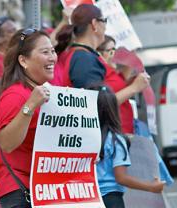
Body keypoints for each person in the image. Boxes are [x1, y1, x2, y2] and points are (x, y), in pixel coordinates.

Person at [55, 4, 150, 134]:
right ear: (94, 24)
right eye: (104, 21)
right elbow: (96, 105)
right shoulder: (83, 59)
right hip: (100, 142)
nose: (106, 27)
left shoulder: (85, 56)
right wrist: (134, 88)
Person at [0, 28, 57, 207]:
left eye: (53, 51)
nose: (52, 57)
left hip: (42, 189)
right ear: (23, 60)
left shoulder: (48, 93)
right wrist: (30, 105)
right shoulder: (14, 95)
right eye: (45, 52)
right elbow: (6, 144)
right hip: (20, 191)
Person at [90, 84, 165, 208]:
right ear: (114, 109)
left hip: (89, 197)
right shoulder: (116, 140)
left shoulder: (85, 139)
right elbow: (121, 178)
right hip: (111, 199)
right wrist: (151, 187)